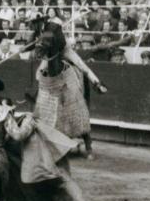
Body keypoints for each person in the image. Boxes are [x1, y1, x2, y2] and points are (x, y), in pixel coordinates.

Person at [22, 15, 107, 159]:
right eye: (32, 23)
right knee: (39, 74)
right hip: (48, 54)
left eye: (34, 23)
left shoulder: (54, 28)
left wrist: (47, 40)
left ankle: (96, 82)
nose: (33, 25)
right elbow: (29, 46)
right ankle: (35, 93)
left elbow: (61, 43)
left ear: (41, 21)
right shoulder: (36, 31)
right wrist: (27, 47)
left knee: (80, 65)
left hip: (61, 49)